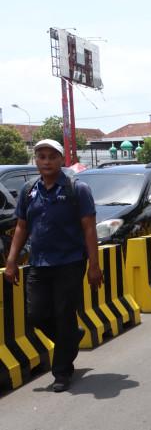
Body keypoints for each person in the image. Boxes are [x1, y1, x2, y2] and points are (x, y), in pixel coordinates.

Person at [2, 139, 102, 393]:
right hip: (39, 262)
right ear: (36, 160)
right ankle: (71, 338)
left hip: (70, 262)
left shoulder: (77, 189)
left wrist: (94, 265)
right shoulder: (28, 190)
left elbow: (89, 228)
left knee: (63, 314)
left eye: (52, 156)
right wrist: (11, 261)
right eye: (41, 156)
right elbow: (22, 227)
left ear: (61, 159)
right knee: (36, 314)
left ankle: (62, 372)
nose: (46, 161)